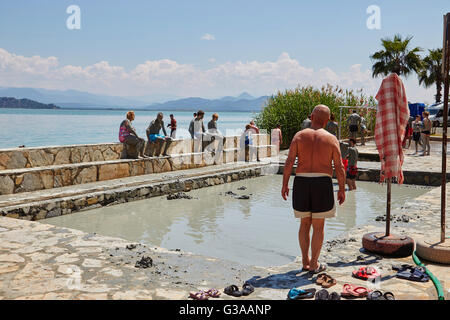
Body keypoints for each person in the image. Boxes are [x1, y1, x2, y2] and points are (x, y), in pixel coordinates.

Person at [282, 104, 346, 274]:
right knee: (318, 226)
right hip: (322, 183)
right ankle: (314, 264)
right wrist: (341, 188)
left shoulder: (299, 136)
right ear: (327, 121)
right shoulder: (331, 139)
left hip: (302, 182)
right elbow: (339, 167)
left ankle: (305, 261)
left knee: (304, 223)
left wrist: (284, 184)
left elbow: (289, 162)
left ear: (311, 117)